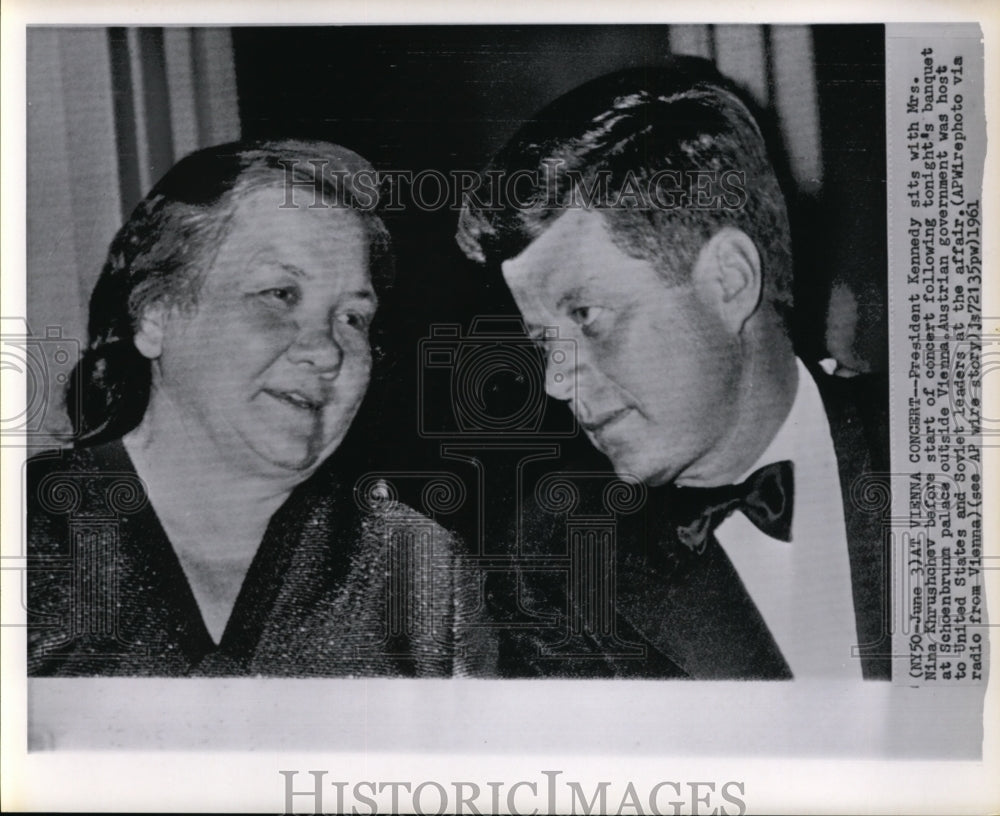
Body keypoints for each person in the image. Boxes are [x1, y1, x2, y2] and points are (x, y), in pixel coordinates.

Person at [456, 60, 890, 680]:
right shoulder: (559, 563)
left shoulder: (951, 452)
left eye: (587, 315)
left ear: (730, 281)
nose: (554, 380)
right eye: (541, 340)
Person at [28, 139, 495, 677]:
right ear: (155, 315)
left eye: (352, 318)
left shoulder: (419, 571)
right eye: (279, 294)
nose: (324, 351)